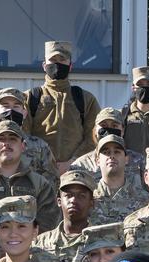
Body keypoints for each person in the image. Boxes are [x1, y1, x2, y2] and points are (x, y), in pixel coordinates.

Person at [26, 40, 101, 173]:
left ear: (70, 66)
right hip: (38, 171)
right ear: (44, 65)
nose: (57, 63)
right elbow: (23, 135)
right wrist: (44, 161)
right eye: (53, 59)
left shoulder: (85, 99)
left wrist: (73, 162)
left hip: (77, 172)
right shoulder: (30, 97)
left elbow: (93, 136)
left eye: (62, 59)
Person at [0, 87, 59, 187]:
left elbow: (51, 185)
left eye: (16, 106)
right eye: (5, 106)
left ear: (24, 113)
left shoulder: (40, 147)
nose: (11, 111)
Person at [33, 168, 98, 262]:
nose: (73, 200)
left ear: (92, 202)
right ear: (59, 201)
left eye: (81, 196)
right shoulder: (39, 243)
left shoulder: (101, 243)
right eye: (68, 195)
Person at [89, 134, 149, 225]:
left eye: (117, 152)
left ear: (126, 160)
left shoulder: (144, 199)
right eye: (106, 152)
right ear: (97, 161)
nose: (112, 156)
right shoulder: (88, 198)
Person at [69, 108, 145, 179]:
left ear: (123, 130)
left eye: (114, 125)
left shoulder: (138, 161)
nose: (109, 130)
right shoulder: (80, 165)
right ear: (95, 130)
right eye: (103, 125)